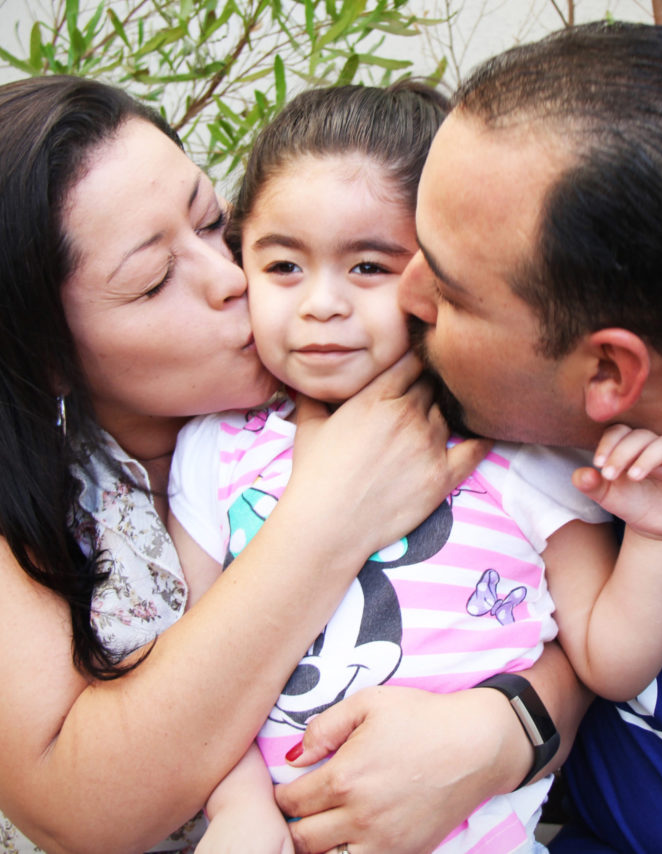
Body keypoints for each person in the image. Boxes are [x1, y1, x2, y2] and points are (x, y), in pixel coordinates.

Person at [168, 80, 662, 853]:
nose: (321, 303)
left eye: (369, 268)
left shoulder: (517, 454)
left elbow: (610, 663)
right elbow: (192, 674)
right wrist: (239, 807)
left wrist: (656, 538)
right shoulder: (217, 451)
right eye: (283, 265)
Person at [0, 74, 484, 854]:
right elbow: (79, 812)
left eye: (212, 221)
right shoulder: (31, 516)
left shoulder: (384, 375)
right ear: (46, 356)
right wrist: (326, 520)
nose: (233, 279)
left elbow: (540, 607)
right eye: (157, 280)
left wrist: (502, 730)